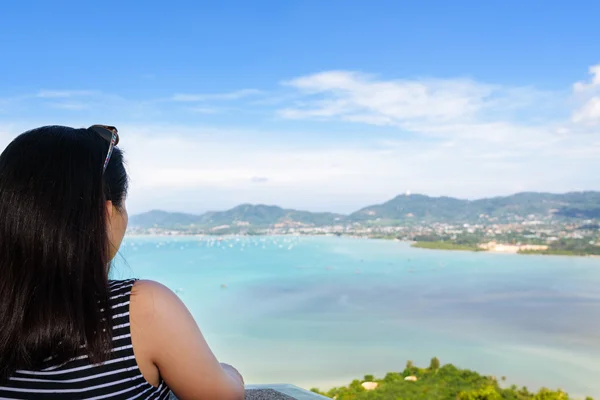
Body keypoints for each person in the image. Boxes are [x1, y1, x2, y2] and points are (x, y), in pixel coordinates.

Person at [0, 125, 245, 400]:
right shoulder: (142, 309)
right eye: (123, 204)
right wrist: (231, 373)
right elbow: (223, 395)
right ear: (104, 215)